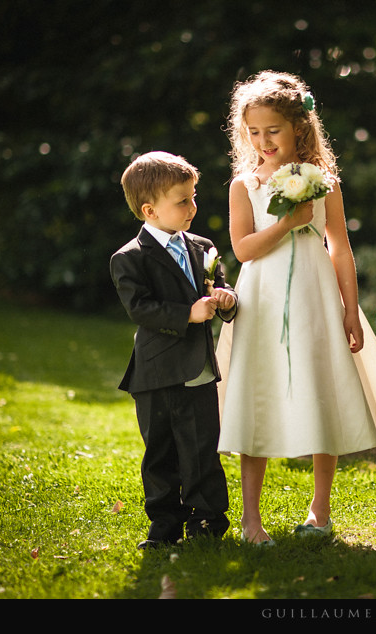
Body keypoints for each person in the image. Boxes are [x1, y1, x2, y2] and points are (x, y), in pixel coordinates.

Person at [216, 71, 376, 545]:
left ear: (298, 127)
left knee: (322, 385)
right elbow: (243, 249)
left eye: (272, 130)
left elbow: (339, 246)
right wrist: (288, 222)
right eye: (253, 132)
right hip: (262, 298)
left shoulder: (325, 183)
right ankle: (251, 519)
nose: (263, 141)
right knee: (257, 392)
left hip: (314, 294)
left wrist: (349, 309)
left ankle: (320, 511)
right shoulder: (244, 186)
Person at [110, 151, 238, 550]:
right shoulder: (129, 258)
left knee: (202, 448)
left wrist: (227, 299)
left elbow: (220, 286)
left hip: (198, 370)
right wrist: (188, 314)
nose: (193, 207)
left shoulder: (203, 247)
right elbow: (140, 308)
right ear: (150, 210)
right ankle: (164, 527)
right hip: (156, 373)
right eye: (183, 201)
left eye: (193, 197)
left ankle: (208, 522)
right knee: (161, 454)